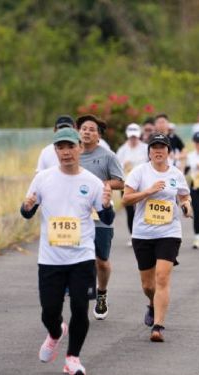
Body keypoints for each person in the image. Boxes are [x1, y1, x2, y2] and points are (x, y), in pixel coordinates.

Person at [21, 127, 115, 375]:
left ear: (80, 148)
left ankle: (73, 358)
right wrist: (26, 206)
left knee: (80, 308)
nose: (65, 152)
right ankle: (55, 333)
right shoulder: (43, 178)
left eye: (70, 147)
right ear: (55, 151)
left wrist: (106, 205)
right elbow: (28, 211)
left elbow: (106, 216)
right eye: (60, 148)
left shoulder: (93, 182)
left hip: (82, 257)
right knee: (49, 311)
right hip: (50, 259)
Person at [122, 133, 192, 342]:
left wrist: (186, 205)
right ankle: (152, 304)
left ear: (168, 151)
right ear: (149, 151)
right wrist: (148, 191)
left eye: (162, 147)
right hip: (143, 233)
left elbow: (184, 195)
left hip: (168, 232)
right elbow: (126, 199)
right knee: (148, 285)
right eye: (154, 147)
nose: (158, 151)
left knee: (162, 278)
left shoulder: (176, 174)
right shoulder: (139, 172)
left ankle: (158, 326)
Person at [77, 114, 124, 320]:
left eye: (91, 129)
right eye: (84, 128)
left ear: (98, 135)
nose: (87, 132)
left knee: (101, 260)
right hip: (77, 214)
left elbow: (120, 182)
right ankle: (80, 292)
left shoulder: (108, 156)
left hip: (101, 212)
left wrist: (100, 184)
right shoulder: (72, 154)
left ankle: (102, 293)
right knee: (77, 257)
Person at [116, 123, 149, 241]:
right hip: (127, 184)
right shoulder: (122, 150)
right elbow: (116, 167)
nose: (133, 139)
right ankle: (133, 235)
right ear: (128, 136)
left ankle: (145, 233)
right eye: (131, 137)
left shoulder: (145, 148)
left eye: (135, 136)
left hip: (143, 184)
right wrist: (123, 165)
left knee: (143, 209)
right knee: (130, 211)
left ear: (139, 135)